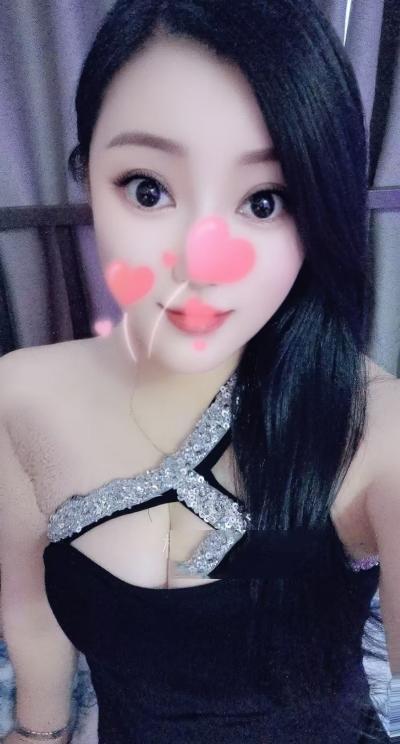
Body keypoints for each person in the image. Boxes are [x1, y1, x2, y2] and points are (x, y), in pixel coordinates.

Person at [0, 0, 398, 741]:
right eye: (147, 189)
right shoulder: (20, 397)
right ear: (88, 176)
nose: (201, 263)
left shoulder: (376, 426)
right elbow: (28, 612)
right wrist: (40, 731)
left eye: (265, 201)